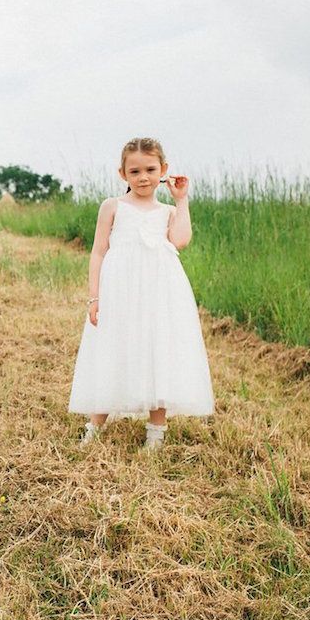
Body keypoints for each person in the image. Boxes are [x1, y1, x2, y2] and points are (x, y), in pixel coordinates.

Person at [69, 138, 214, 449]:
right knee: (114, 346)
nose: (143, 177)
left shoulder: (166, 212)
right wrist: (94, 297)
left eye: (150, 169)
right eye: (135, 171)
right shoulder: (112, 206)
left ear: (163, 170)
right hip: (120, 290)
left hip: (159, 292)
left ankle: (156, 432)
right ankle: (95, 426)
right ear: (123, 174)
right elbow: (98, 252)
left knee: (156, 350)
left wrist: (181, 200)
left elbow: (181, 241)